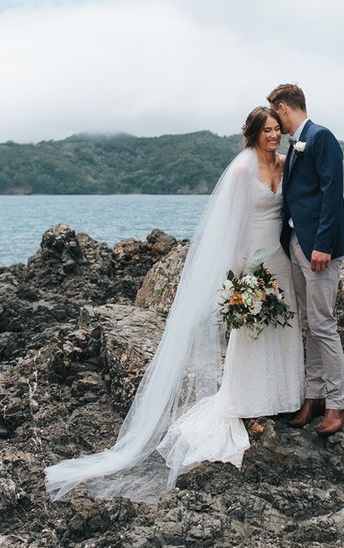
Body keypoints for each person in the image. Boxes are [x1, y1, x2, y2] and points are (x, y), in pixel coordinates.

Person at [45, 107, 303, 501]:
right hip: (251, 256)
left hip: (279, 257)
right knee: (250, 330)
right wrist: (238, 276)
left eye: (275, 129)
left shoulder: (286, 164)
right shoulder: (241, 170)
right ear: (252, 134)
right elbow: (231, 225)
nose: (273, 136)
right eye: (266, 131)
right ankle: (248, 397)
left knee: (282, 324)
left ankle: (282, 396)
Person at [267, 84, 344, 436]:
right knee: (309, 323)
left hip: (318, 248)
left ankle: (337, 403)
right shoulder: (295, 144)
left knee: (324, 324)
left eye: (275, 113)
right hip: (296, 243)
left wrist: (323, 244)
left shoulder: (321, 137)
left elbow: (332, 193)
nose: (275, 121)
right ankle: (314, 396)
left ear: (284, 108)